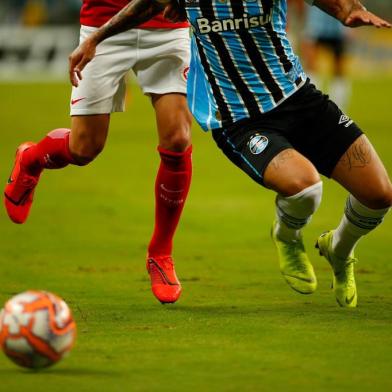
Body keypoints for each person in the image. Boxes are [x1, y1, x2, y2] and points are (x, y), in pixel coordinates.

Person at [68, 0, 392, 308]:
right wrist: (97, 37)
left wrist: (350, 10)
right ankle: (288, 236)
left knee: (379, 194)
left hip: (300, 98)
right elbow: (151, 4)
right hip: (240, 118)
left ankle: (339, 248)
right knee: (306, 188)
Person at [4, 0, 194, 305]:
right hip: (103, 27)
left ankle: (161, 252)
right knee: (84, 148)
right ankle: (31, 158)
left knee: (178, 138)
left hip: (166, 27)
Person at [302, 4, 351, 110]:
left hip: (339, 25)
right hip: (315, 23)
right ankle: (311, 107)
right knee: (311, 65)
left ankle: (339, 109)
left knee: (339, 70)